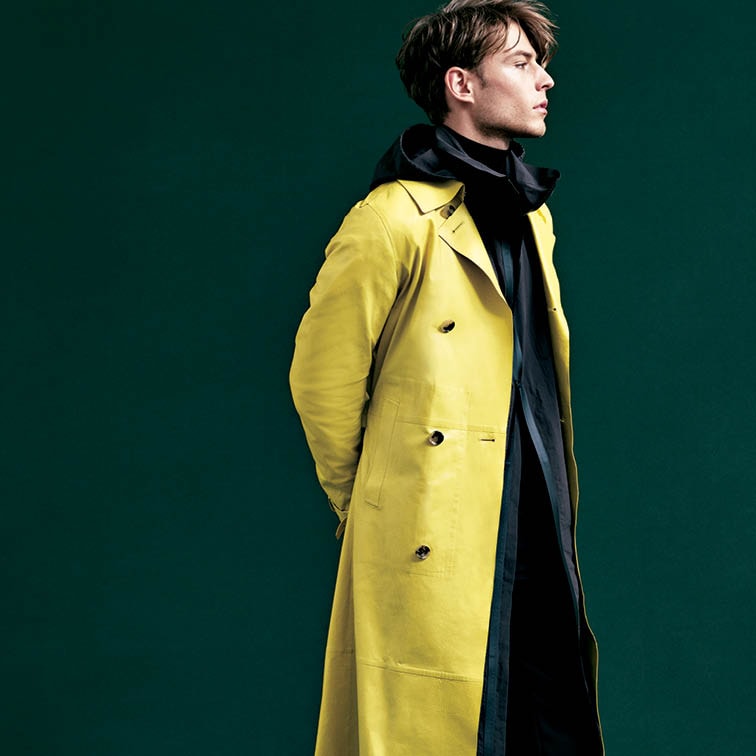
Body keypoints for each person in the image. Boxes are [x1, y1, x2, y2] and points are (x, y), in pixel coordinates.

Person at [290, 1, 603, 753]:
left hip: (533, 511)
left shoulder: (532, 216)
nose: (546, 80)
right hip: (433, 526)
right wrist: (374, 502)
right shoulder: (390, 218)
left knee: (542, 721)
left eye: (541, 64)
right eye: (522, 63)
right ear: (462, 85)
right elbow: (322, 379)